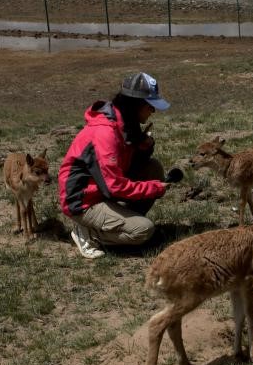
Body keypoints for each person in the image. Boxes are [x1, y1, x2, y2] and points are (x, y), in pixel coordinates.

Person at [58, 71, 182, 259]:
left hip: (101, 191)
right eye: (150, 106)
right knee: (144, 230)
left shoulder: (125, 124)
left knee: (153, 168)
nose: (153, 111)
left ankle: (120, 222)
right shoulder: (106, 133)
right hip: (83, 201)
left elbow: (126, 167)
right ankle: (90, 233)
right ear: (136, 105)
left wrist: (144, 147)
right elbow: (113, 186)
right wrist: (154, 188)